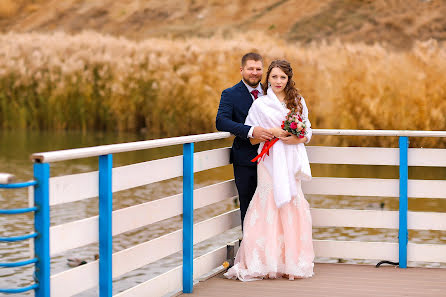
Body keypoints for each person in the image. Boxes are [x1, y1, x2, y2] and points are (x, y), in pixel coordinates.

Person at [224, 59, 314, 281]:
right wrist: (272, 132)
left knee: (292, 205)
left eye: (283, 77)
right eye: (274, 76)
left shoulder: (298, 102)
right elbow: (252, 140)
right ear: (268, 79)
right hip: (268, 162)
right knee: (267, 205)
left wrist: (296, 138)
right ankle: (263, 261)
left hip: (291, 161)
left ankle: (290, 261)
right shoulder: (260, 105)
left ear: (288, 79)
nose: (278, 81)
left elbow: (307, 132)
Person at [216, 53, 274, 228]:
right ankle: (248, 251)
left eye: (258, 69)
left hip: (272, 159)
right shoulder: (230, 94)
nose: (254, 73)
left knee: (271, 207)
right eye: (250, 69)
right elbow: (221, 121)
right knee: (248, 209)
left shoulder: (273, 92)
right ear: (242, 70)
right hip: (245, 160)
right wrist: (250, 131)